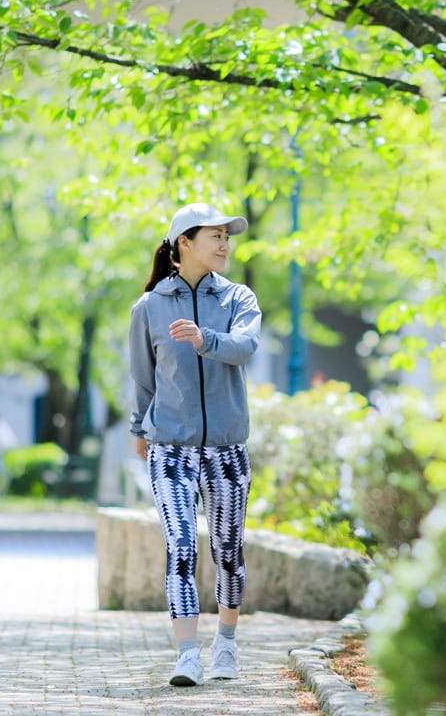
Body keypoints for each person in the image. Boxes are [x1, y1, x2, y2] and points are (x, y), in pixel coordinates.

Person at [128, 202, 261, 687]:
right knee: (181, 544)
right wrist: (138, 429)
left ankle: (225, 643)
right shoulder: (149, 307)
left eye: (228, 237)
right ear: (184, 242)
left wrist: (206, 339)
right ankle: (187, 654)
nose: (225, 244)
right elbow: (143, 379)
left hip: (227, 449)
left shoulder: (239, 299)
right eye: (216, 236)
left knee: (228, 549)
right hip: (170, 448)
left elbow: (245, 347)